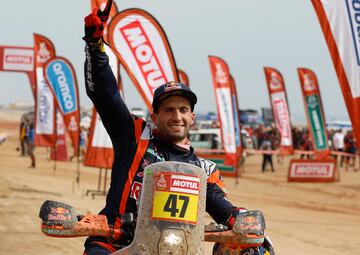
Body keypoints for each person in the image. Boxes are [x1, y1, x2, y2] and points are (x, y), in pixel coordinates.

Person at [82, 9, 274, 255]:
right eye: (168, 110)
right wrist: (95, 48)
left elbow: (220, 206)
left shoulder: (202, 169)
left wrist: (241, 219)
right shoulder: (134, 135)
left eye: (183, 109)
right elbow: (105, 95)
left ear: (192, 117)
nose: (176, 116)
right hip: (115, 241)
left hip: (174, 249)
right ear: (155, 117)